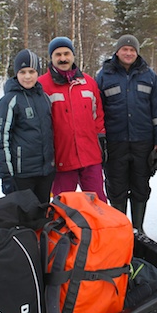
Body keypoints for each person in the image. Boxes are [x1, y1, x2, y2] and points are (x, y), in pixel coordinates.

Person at [96, 34, 157, 233]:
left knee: (140, 187)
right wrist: (99, 140)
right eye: (125, 49)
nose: (128, 53)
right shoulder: (104, 75)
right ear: (117, 51)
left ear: (137, 53)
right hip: (115, 143)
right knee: (116, 188)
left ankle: (138, 230)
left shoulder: (149, 76)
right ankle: (120, 231)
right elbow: (96, 111)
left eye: (132, 50)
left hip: (143, 143)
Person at [39, 36, 108, 203]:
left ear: (73, 55)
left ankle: (98, 231)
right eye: (58, 54)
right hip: (62, 158)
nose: (63, 58)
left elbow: (98, 116)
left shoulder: (89, 83)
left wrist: (101, 142)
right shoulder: (42, 85)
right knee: (63, 206)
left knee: (98, 204)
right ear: (51, 57)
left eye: (66, 53)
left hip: (90, 156)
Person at [0, 49, 55, 203]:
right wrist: (6, 176)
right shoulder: (9, 101)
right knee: (24, 220)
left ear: (38, 73)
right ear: (16, 73)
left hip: (45, 173)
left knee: (43, 218)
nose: (27, 76)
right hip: (21, 175)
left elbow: (49, 133)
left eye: (32, 71)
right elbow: (1, 140)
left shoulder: (44, 98)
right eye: (23, 72)